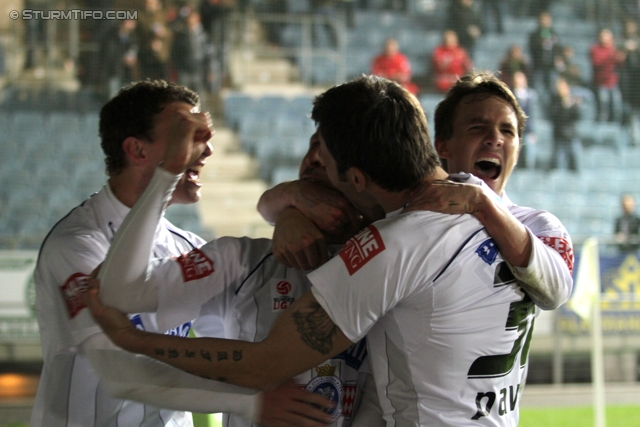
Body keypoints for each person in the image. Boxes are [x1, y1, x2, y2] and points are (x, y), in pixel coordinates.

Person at [89, 75, 541, 426]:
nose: (315, 161)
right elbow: (122, 294)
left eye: (325, 155)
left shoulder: (393, 259)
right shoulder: (246, 260)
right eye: (310, 151)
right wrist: (169, 175)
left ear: (357, 179)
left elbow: (371, 395)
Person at [30, 80, 321, 427]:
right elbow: (119, 372)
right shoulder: (78, 245)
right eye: (187, 133)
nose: (208, 149)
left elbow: (226, 352)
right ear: (137, 151)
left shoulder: (187, 247)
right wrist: (251, 404)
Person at [260, 71, 573, 311]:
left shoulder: (539, 226)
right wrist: (291, 206)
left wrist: (482, 204)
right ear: (441, 144)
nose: (495, 139)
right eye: (477, 128)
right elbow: (316, 202)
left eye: (508, 130)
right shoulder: (396, 212)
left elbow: (556, 292)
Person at [590, 28, 625, 123]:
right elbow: (597, 63)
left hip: (612, 82)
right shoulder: (595, 49)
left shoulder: (613, 49)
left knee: (616, 104)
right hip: (601, 82)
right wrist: (611, 56)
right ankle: (602, 125)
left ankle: (615, 125)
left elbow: (620, 64)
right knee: (603, 105)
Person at [548, 76, 582, 171]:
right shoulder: (554, 101)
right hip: (558, 135)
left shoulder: (573, 101)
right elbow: (555, 116)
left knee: (573, 160)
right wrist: (565, 105)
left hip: (570, 135)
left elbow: (577, 116)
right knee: (556, 161)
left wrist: (573, 105)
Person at [528, 10, 560, 97]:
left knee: (553, 90)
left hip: (551, 67)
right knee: (540, 91)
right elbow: (531, 49)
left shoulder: (553, 34)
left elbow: (557, 48)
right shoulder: (534, 35)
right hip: (539, 67)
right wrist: (540, 44)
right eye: (544, 19)